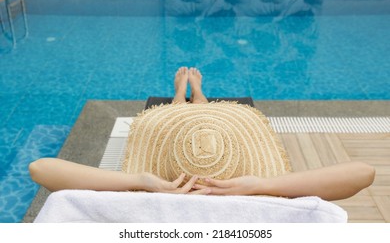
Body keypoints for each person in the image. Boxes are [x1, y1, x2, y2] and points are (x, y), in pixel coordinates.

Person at [29, 67, 375, 201]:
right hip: (240, 188)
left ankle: (184, 95)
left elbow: (41, 168)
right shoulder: (256, 204)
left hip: (163, 185)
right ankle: (197, 97)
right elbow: (362, 173)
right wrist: (259, 185)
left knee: (187, 128)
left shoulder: (147, 204)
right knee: (203, 127)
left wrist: (140, 180)